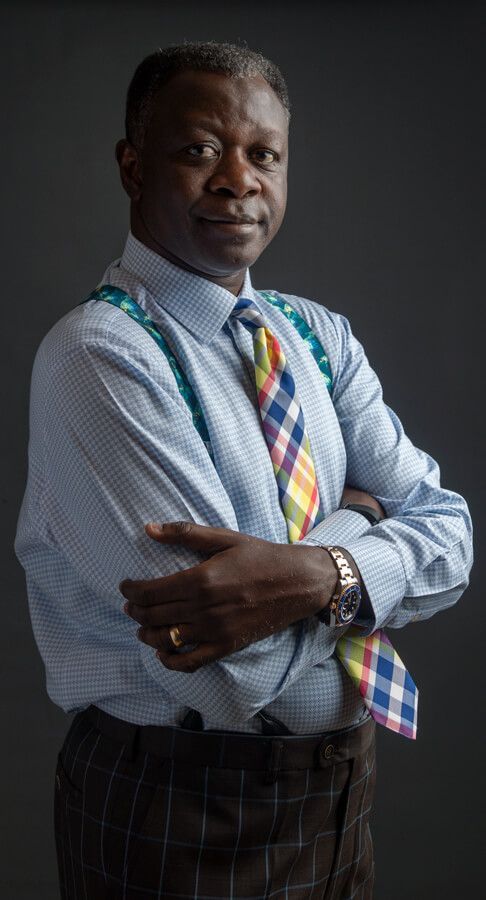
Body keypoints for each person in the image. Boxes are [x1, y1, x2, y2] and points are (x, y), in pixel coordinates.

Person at [15, 41, 472, 900]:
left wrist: (307, 572)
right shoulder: (100, 358)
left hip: (339, 785)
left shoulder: (315, 336)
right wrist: (362, 526)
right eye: (197, 151)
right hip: (182, 804)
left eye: (263, 153)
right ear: (131, 164)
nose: (237, 179)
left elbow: (453, 536)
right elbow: (230, 676)